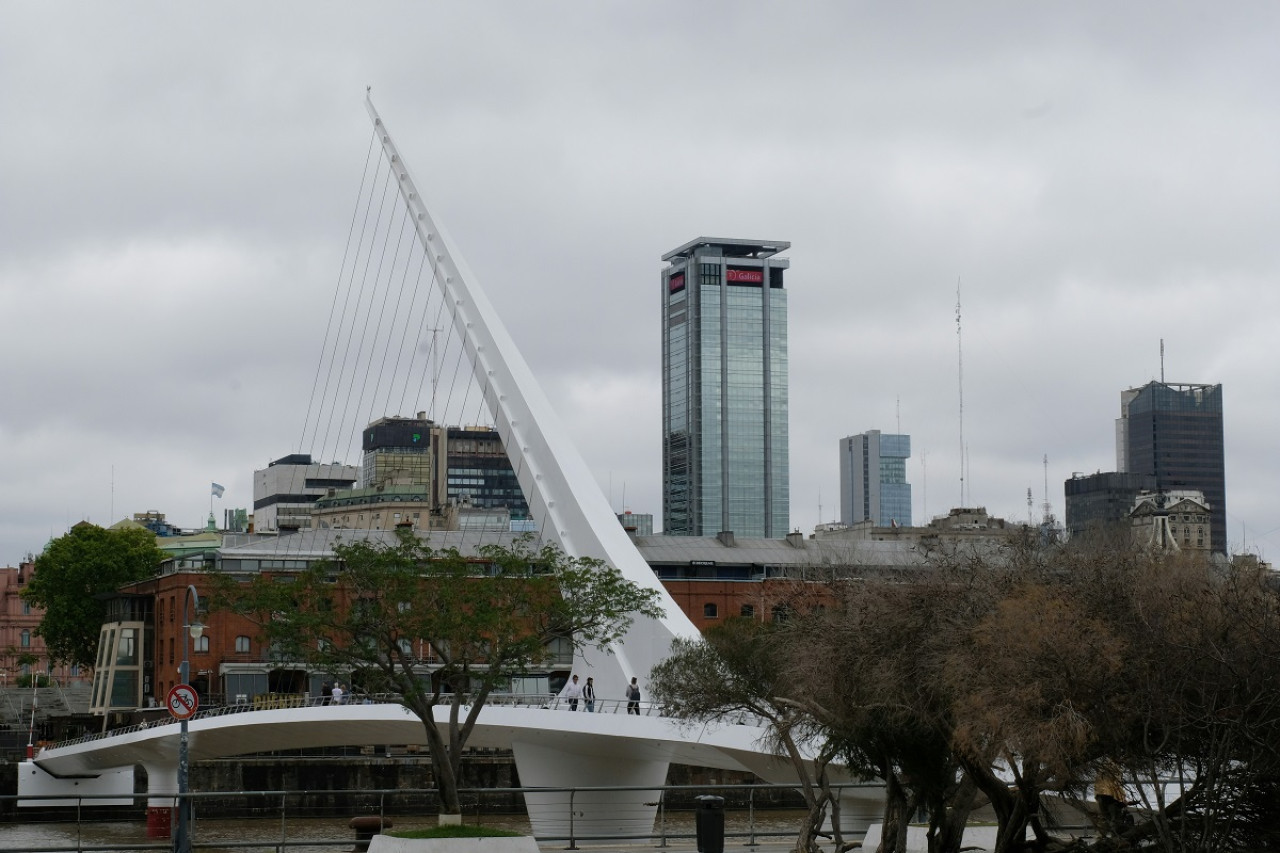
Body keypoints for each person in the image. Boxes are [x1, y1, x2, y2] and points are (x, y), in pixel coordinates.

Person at [1094, 760, 1130, 836]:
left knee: (1104, 817)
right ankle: (1115, 835)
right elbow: (1117, 784)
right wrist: (1122, 799)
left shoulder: (1101, 770)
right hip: (1111, 797)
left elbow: (1096, 785)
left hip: (1100, 795)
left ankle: (1101, 835)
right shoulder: (1115, 768)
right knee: (1114, 818)